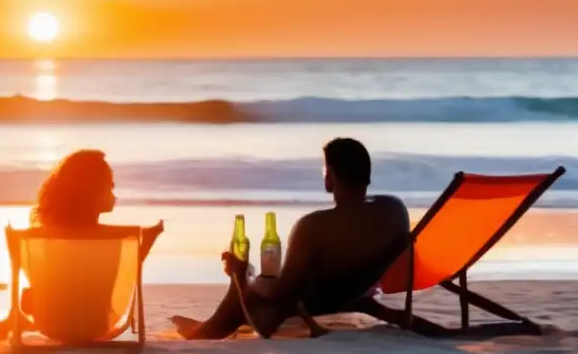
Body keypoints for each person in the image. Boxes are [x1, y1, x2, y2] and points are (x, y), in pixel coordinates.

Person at [172, 137, 419, 340]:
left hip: (316, 303)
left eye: (325, 170)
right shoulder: (393, 209)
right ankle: (208, 325)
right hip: (356, 292)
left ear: (331, 176)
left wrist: (239, 275)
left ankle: (206, 332)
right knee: (259, 281)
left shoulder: (313, 226)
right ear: (366, 176)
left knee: (254, 285)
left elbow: (273, 313)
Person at [0, 149, 163, 339]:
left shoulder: (40, 239)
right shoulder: (115, 239)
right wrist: (148, 239)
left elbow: (34, 275)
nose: (114, 191)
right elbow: (129, 270)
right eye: (110, 185)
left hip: (49, 324)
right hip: (96, 326)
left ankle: (14, 318)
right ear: (95, 192)